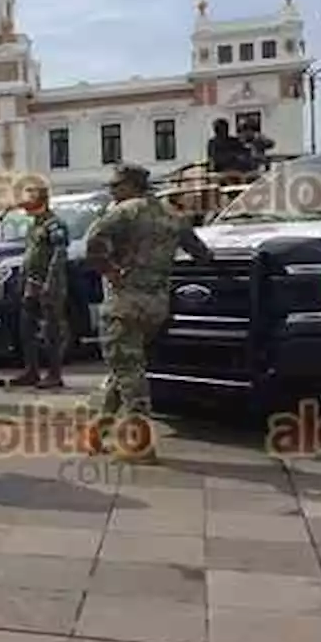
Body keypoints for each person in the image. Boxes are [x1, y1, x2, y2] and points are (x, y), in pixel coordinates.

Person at [85, 163, 215, 459]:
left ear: (132, 185)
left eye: (117, 185)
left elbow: (93, 239)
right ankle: (98, 432)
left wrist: (109, 270)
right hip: (156, 306)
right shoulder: (173, 215)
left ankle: (139, 443)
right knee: (123, 370)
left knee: (130, 376)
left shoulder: (125, 211)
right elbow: (202, 253)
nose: (112, 190)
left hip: (124, 305)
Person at [8, 184, 70, 389]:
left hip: (49, 284)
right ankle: (31, 370)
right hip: (31, 283)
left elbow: (59, 255)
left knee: (51, 330)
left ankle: (54, 373)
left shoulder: (54, 225)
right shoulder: (34, 225)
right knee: (26, 327)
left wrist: (50, 282)